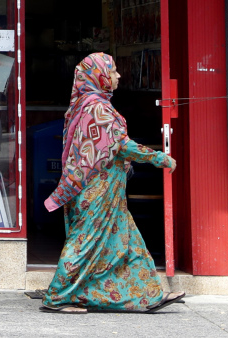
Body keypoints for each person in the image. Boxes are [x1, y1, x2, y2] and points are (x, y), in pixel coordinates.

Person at [41, 52, 185, 314]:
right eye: (113, 71)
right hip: (97, 190)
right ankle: (56, 297)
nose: (118, 75)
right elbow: (120, 145)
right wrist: (158, 158)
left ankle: (148, 296)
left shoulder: (87, 104)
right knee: (84, 244)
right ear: (99, 75)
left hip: (107, 191)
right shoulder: (97, 108)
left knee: (128, 243)